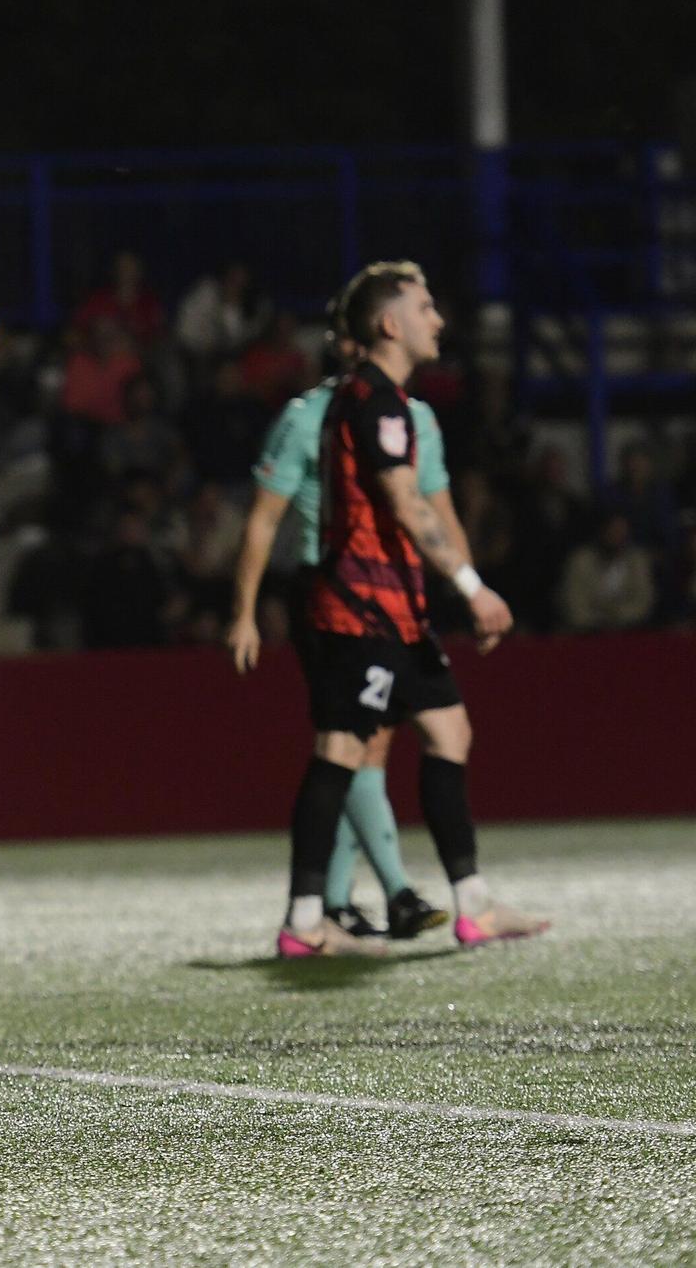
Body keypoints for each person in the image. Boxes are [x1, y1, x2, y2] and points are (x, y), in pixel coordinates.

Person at [271, 261, 547, 958]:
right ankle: (306, 921)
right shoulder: (378, 402)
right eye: (426, 307)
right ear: (390, 323)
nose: (439, 320)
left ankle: (473, 903)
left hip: (395, 610)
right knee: (341, 748)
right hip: (360, 608)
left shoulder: (373, 399)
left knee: (449, 729)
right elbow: (403, 500)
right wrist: (472, 585)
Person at [230, 278, 457, 939]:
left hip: (389, 597)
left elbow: (434, 506)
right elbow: (263, 520)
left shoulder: (409, 414)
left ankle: (337, 901)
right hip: (329, 595)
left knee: (364, 745)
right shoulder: (313, 415)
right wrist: (244, 609)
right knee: (353, 743)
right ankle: (380, 893)